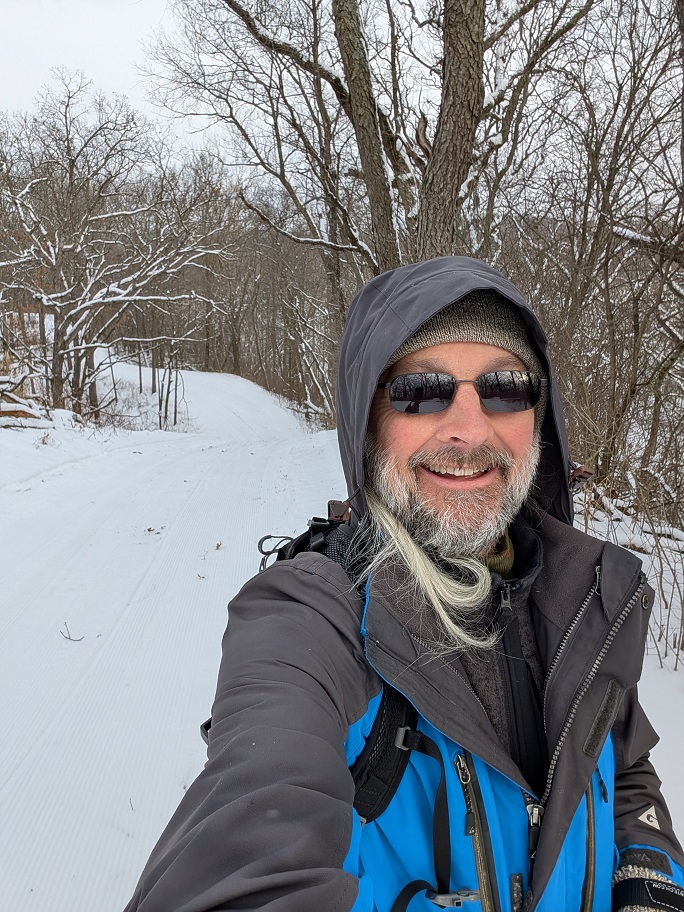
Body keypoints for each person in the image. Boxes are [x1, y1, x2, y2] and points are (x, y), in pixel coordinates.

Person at [123, 256, 684, 912]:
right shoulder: (310, 622)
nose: (470, 429)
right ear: (368, 424)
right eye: (421, 390)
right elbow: (246, 844)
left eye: (505, 387)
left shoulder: (587, 604)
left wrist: (649, 876)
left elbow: (623, 766)